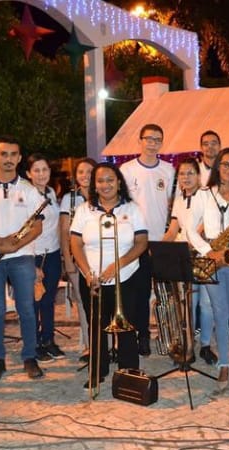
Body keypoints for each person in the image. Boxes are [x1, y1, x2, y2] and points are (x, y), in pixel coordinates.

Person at [0, 135, 45, 381]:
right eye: (3, 154)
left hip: (22, 257)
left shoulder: (29, 190)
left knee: (27, 309)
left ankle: (29, 357)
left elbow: (37, 227)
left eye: (13, 154)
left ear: (19, 158)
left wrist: (15, 246)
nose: (8, 159)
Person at [70, 162, 146, 389]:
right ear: (94, 185)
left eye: (110, 180)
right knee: (96, 326)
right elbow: (75, 243)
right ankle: (98, 370)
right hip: (93, 279)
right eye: (100, 181)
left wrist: (118, 265)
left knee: (127, 327)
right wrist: (86, 273)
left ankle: (128, 372)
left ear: (119, 182)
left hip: (126, 277)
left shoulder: (132, 209)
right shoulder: (84, 210)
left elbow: (141, 243)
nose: (105, 185)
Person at [187, 148, 229, 392]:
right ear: (218, 167)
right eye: (226, 164)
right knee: (219, 312)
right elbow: (190, 229)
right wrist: (207, 251)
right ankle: (224, 363)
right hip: (212, 252)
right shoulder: (204, 195)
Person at [120, 124, 175, 356]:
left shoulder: (169, 170)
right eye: (148, 139)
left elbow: (171, 204)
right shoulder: (127, 169)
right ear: (140, 140)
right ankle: (142, 335)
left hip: (162, 241)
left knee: (164, 295)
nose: (152, 143)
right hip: (136, 242)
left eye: (157, 139)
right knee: (140, 293)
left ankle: (168, 337)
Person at [162, 158, 217, 365]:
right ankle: (188, 346)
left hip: (203, 253)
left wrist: (194, 239)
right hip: (182, 255)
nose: (186, 177)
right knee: (186, 303)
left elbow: (205, 225)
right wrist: (157, 248)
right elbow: (173, 230)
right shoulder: (178, 200)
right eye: (182, 174)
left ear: (199, 175)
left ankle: (205, 345)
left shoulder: (207, 195)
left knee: (206, 303)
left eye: (190, 173)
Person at [25, 153, 66, 363]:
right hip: (35, 256)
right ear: (28, 173)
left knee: (49, 300)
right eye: (36, 170)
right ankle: (33, 345)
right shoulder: (27, 197)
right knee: (34, 302)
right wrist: (32, 264)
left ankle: (48, 340)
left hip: (52, 254)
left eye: (45, 170)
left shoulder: (50, 192)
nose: (41, 174)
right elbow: (25, 231)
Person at [60, 157, 97, 362]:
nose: (85, 176)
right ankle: (90, 346)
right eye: (81, 172)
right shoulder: (69, 199)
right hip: (78, 258)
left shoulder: (104, 195)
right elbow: (64, 230)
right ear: (75, 176)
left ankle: (109, 345)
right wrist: (67, 259)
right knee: (84, 303)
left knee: (104, 302)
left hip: (100, 257)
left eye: (90, 171)